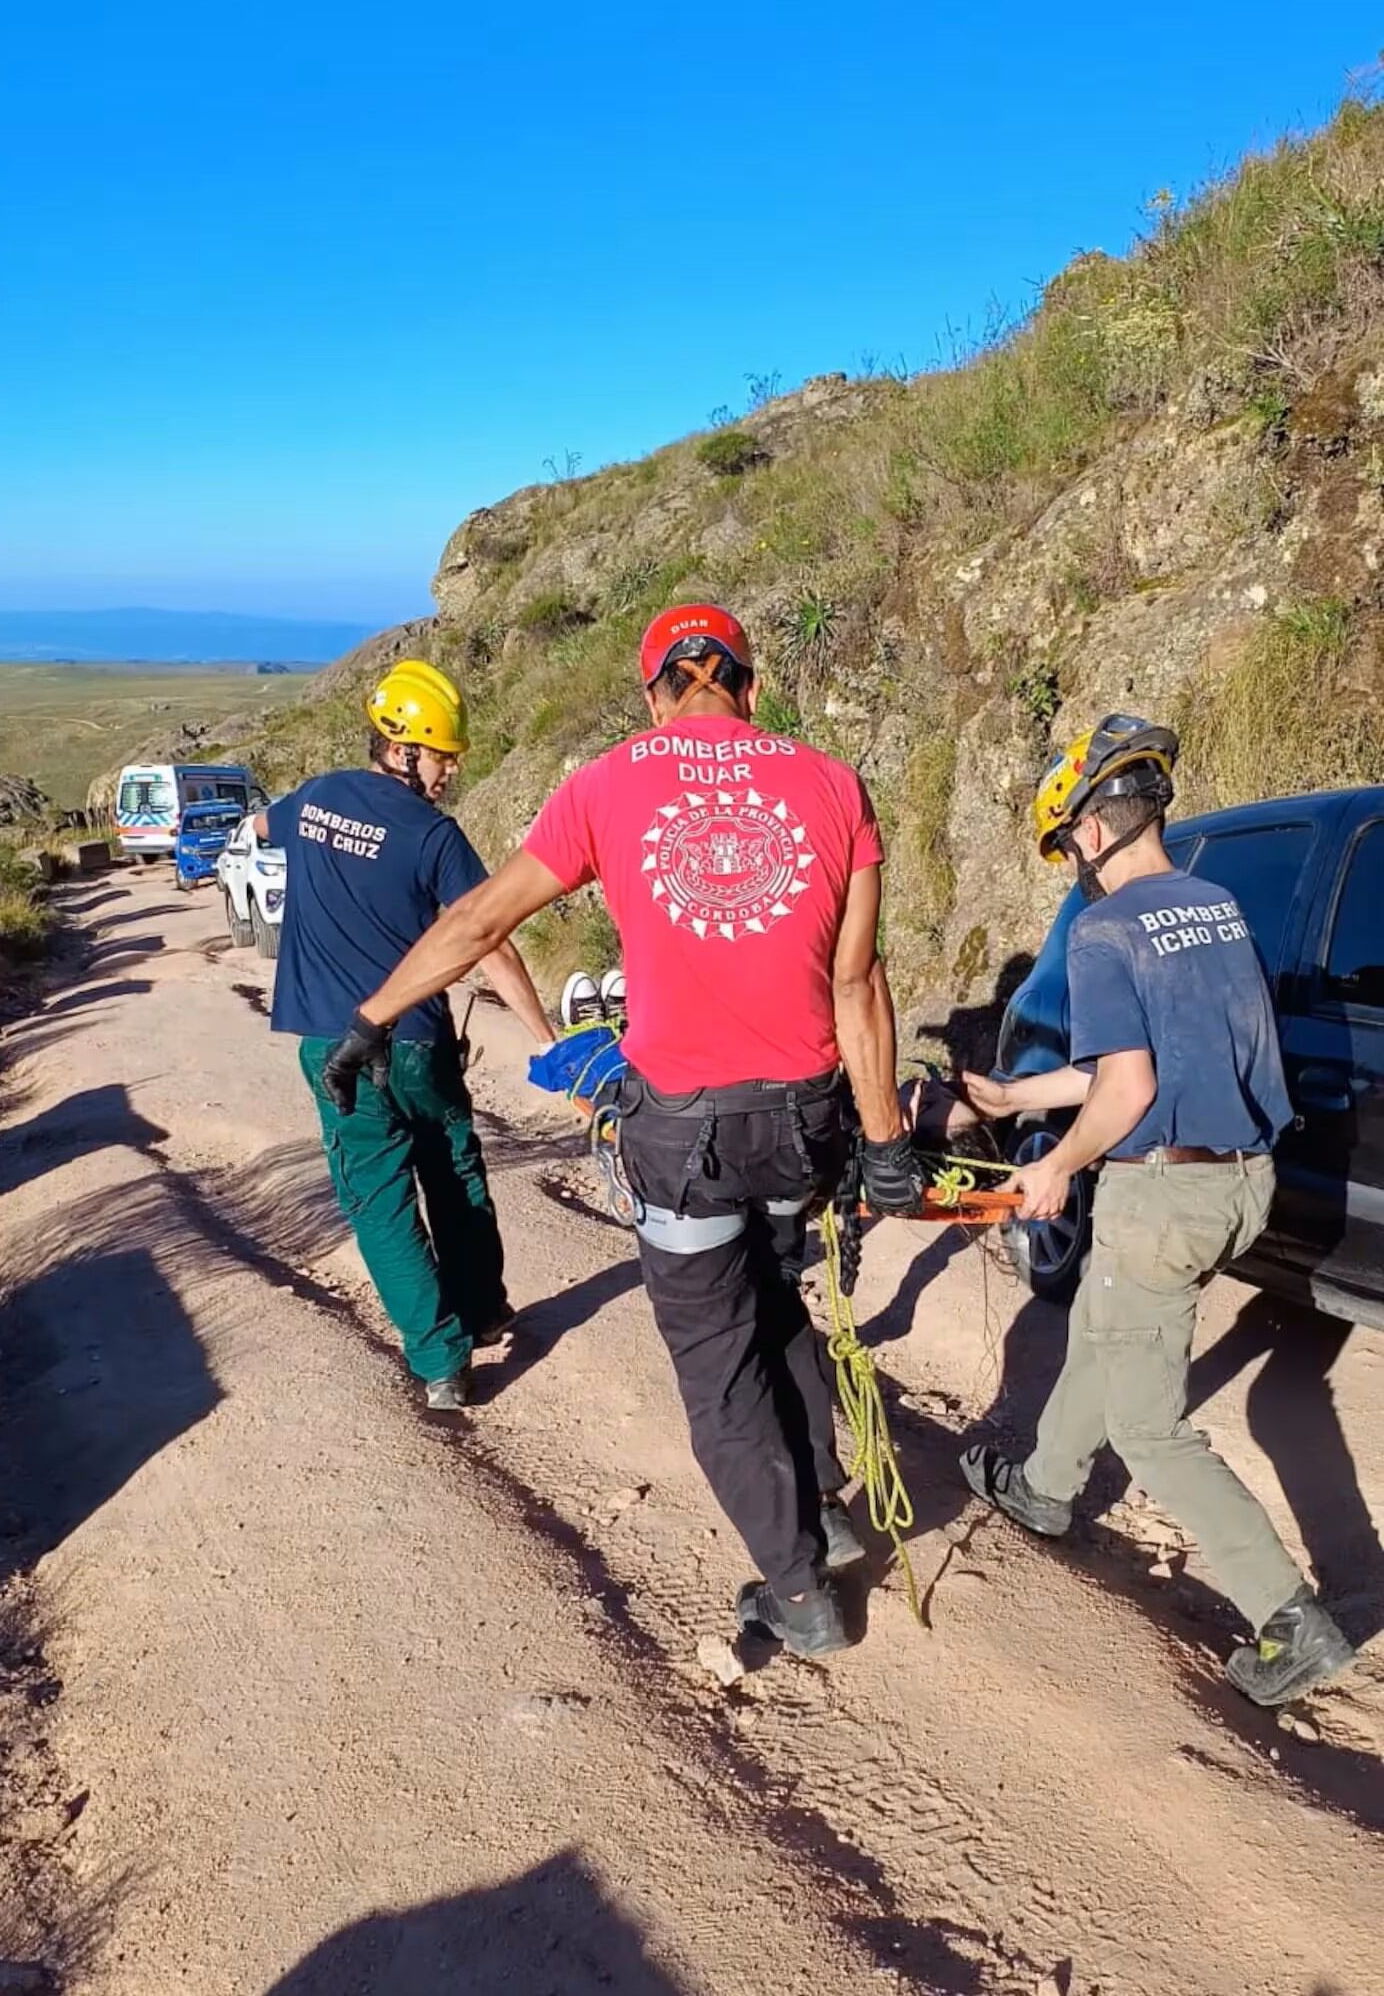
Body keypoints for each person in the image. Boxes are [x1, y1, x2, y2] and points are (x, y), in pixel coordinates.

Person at [320, 605, 923, 1659]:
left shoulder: (609, 782)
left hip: (683, 1137)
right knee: (777, 1294)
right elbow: (858, 982)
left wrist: (374, 1017)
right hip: (802, 1124)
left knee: (713, 1354)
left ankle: (799, 1591)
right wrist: (886, 1143)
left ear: (655, 694)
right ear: (747, 682)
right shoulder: (832, 784)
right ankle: (822, 1501)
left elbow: (478, 923)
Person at [960, 713, 1354, 1708]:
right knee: (1106, 1313)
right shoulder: (1218, 905)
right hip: (1238, 1180)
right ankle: (1046, 1485)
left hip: (1161, 1188)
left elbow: (1125, 1092)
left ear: (1092, 830)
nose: (1072, 866)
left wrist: (1062, 1165)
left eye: (1066, 848)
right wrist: (1014, 1100)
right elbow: (1148, 1061)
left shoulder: (1100, 928)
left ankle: (1289, 1616)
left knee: (1147, 1424)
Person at [259, 658, 554, 1408]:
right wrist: (544, 1040)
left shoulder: (316, 798)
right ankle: (483, 1308)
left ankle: (440, 1362)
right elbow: (491, 939)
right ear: (400, 749)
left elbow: (261, 825)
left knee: (380, 1202)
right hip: (420, 1039)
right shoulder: (433, 835)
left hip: (333, 1046)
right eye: (441, 754)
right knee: (454, 1171)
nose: (450, 770)